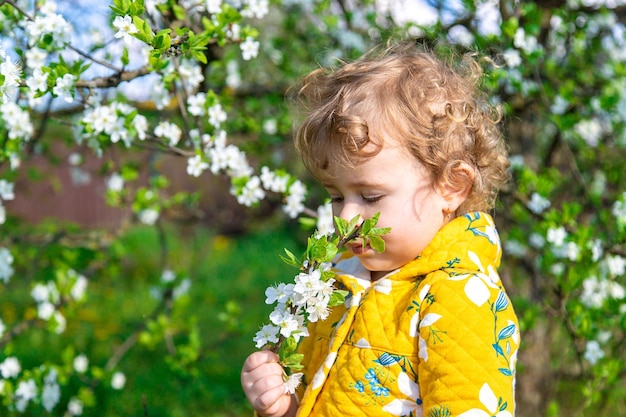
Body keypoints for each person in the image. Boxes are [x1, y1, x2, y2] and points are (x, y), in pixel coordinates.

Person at [241, 42, 519, 417]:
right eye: (336, 197)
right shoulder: (336, 283)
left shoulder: (459, 297)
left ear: (452, 186)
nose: (347, 218)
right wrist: (282, 407)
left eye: (371, 197)